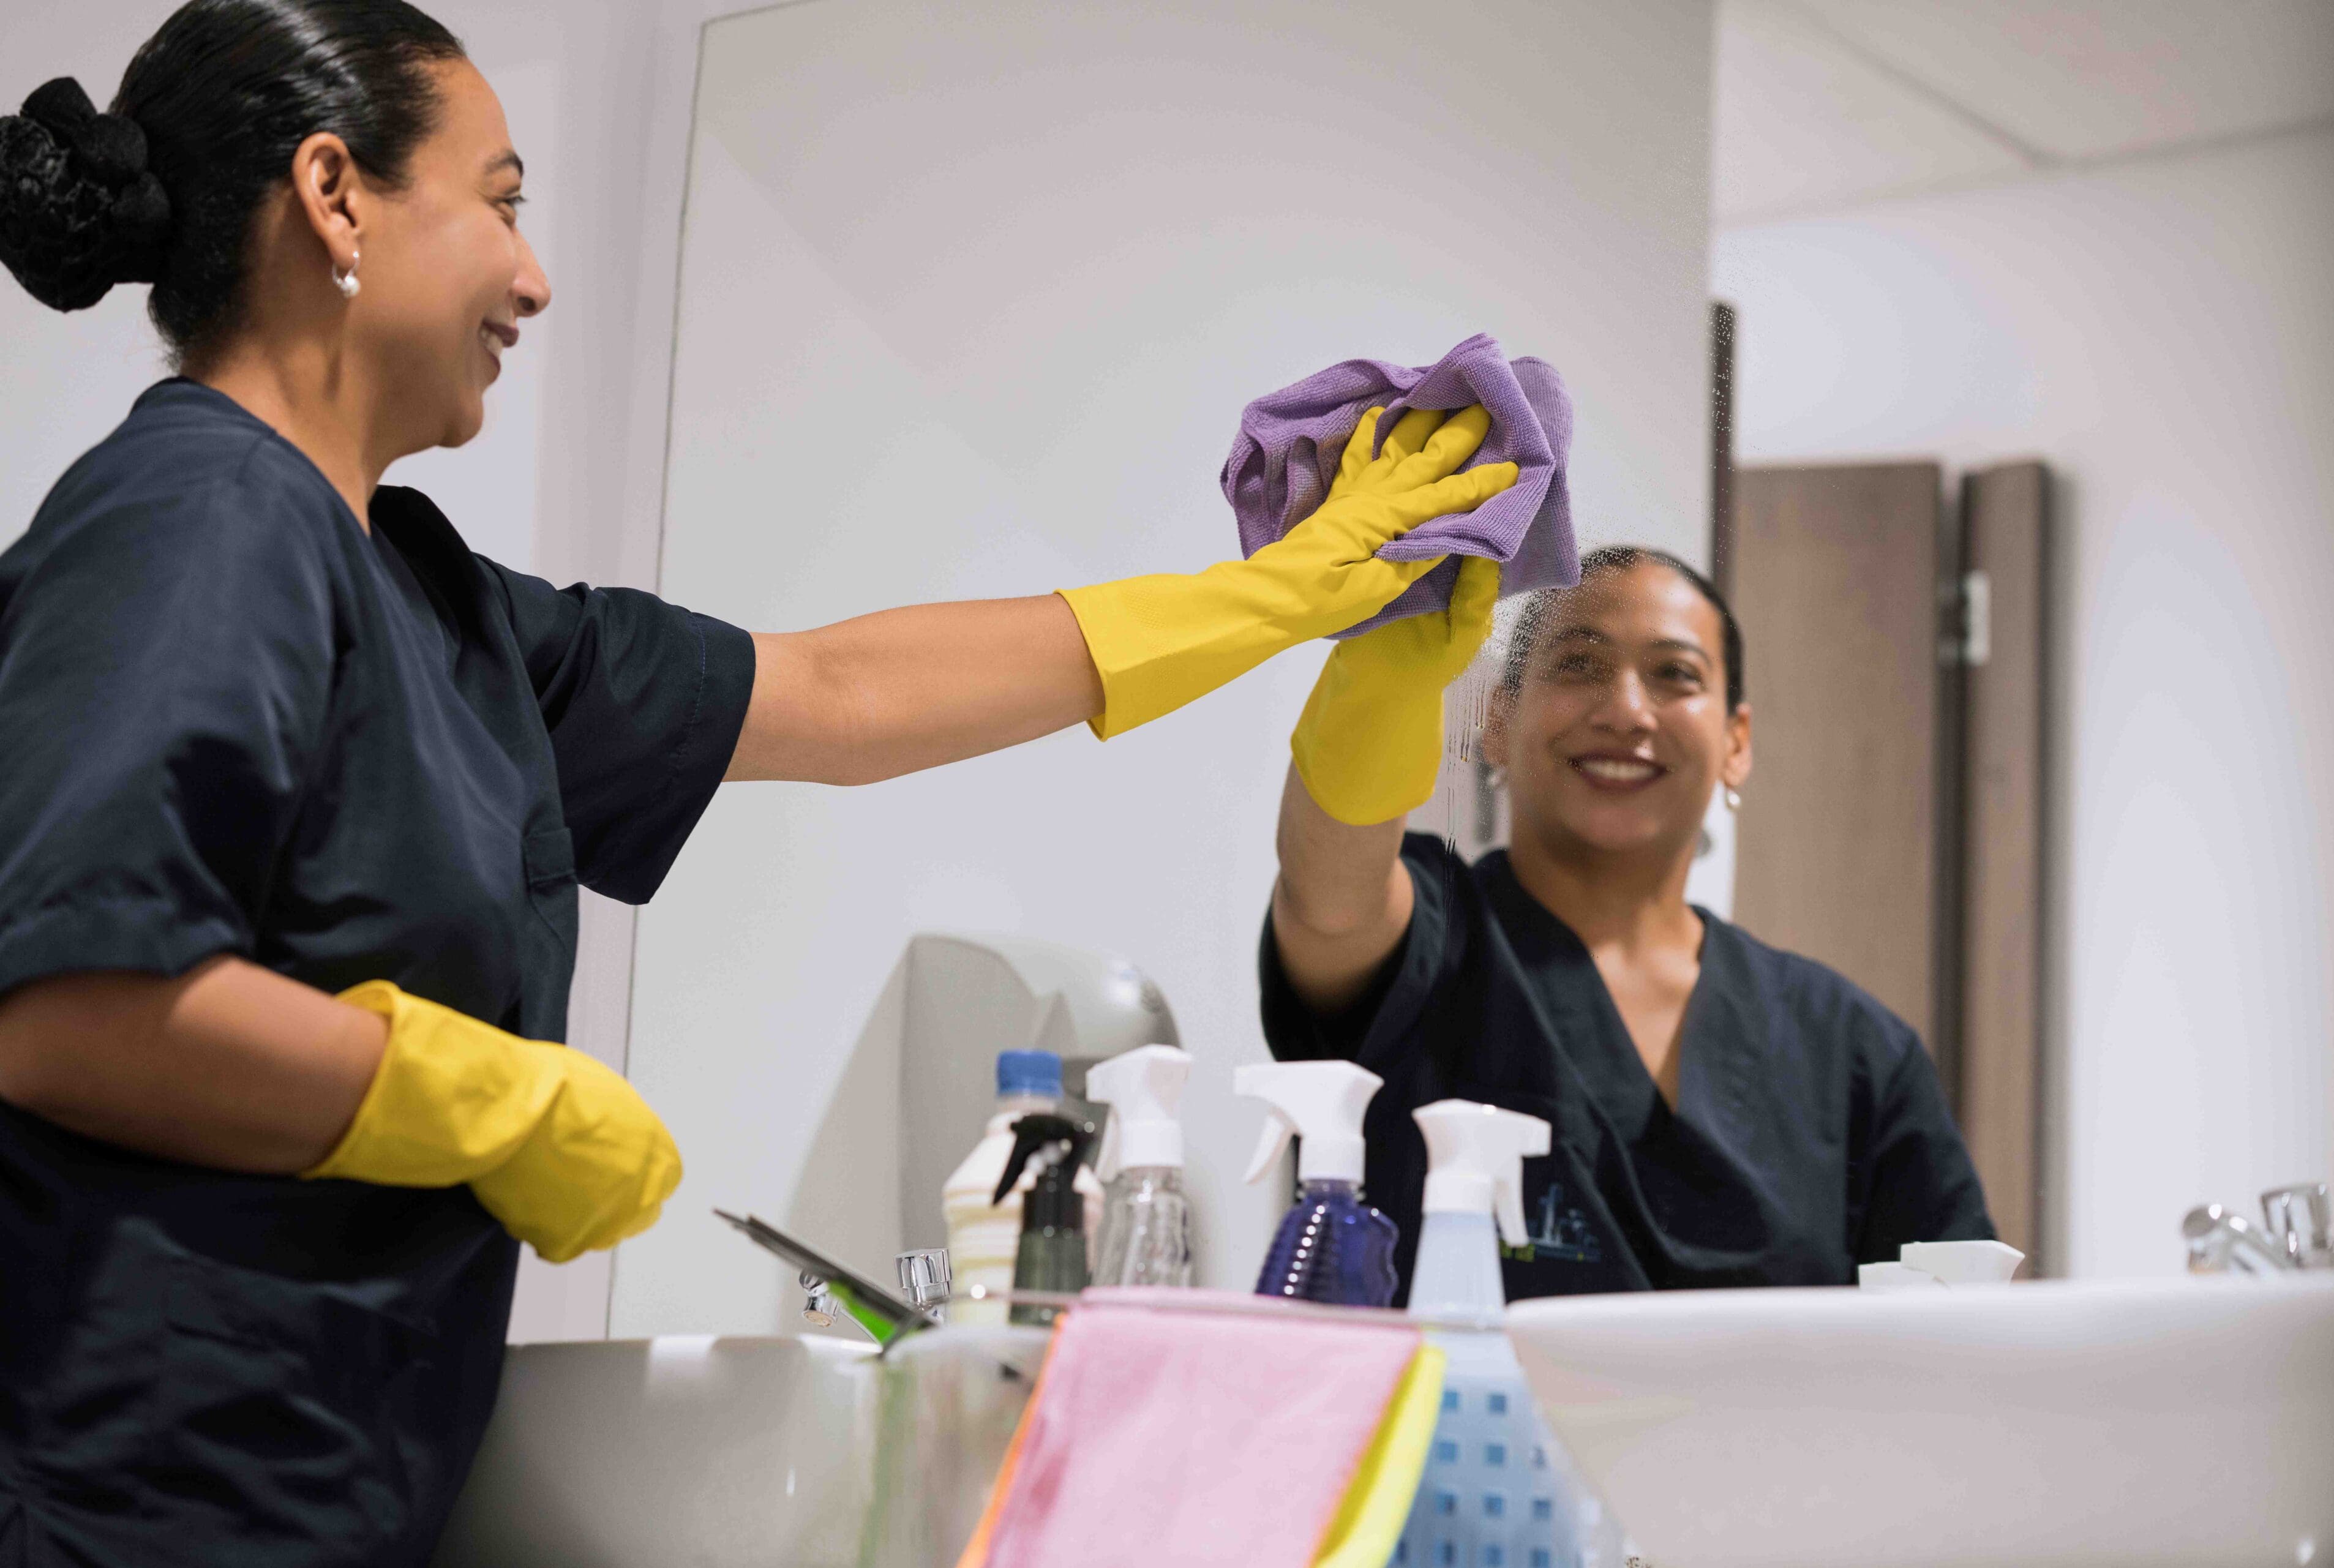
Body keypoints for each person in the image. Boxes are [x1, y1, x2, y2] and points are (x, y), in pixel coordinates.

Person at [0, 4, 1517, 1562]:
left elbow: (837, 694)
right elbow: (66, 1004)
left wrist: (1282, 595)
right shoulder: (195, 514)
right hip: (119, 1501)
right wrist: (476, 1094)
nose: (532, 275)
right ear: (335, 196)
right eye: (502, 201)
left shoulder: (424, 598)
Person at [1261, 544, 1995, 1304]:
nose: (1626, 710)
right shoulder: (1428, 938)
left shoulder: (1854, 1050)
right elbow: (1329, 893)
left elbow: (1956, 1330)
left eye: (1675, 674)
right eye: (1579, 664)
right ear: (1498, 720)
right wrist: (1384, 661)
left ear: (1736, 742)